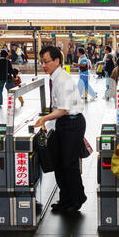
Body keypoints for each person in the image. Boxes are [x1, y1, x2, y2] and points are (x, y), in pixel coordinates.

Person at [34, 45, 87, 213]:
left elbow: (63, 109)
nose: (43, 65)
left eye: (46, 61)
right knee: (60, 163)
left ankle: (77, 199)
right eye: (41, 62)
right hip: (65, 123)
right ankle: (65, 199)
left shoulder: (62, 80)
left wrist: (44, 118)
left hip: (72, 123)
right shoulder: (56, 78)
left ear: (57, 61)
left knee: (68, 164)